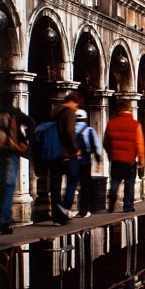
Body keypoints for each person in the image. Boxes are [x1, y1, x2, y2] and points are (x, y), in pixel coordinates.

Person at [0, 99, 35, 234]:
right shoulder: (13, 112)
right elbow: (31, 123)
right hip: (10, 152)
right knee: (8, 186)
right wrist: (27, 140)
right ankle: (4, 221)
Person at [103, 99, 145, 213]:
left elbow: (105, 142)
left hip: (115, 158)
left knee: (115, 180)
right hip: (130, 159)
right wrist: (141, 158)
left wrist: (111, 153)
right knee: (129, 182)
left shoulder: (111, 123)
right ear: (129, 109)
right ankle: (128, 206)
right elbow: (139, 143)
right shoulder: (135, 124)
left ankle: (111, 202)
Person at [49, 91, 84, 225]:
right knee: (72, 181)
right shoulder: (69, 112)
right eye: (77, 106)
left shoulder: (53, 111)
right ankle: (65, 208)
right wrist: (75, 150)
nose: (76, 109)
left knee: (55, 187)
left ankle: (56, 217)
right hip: (66, 154)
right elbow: (69, 132)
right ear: (74, 101)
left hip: (53, 154)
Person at [74, 109, 103, 218]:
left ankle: (68, 209)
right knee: (85, 186)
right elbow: (96, 146)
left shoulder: (69, 129)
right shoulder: (89, 130)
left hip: (71, 161)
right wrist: (98, 162)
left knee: (72, 185)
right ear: (85, 119)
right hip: (85, 162)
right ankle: (84, 210)